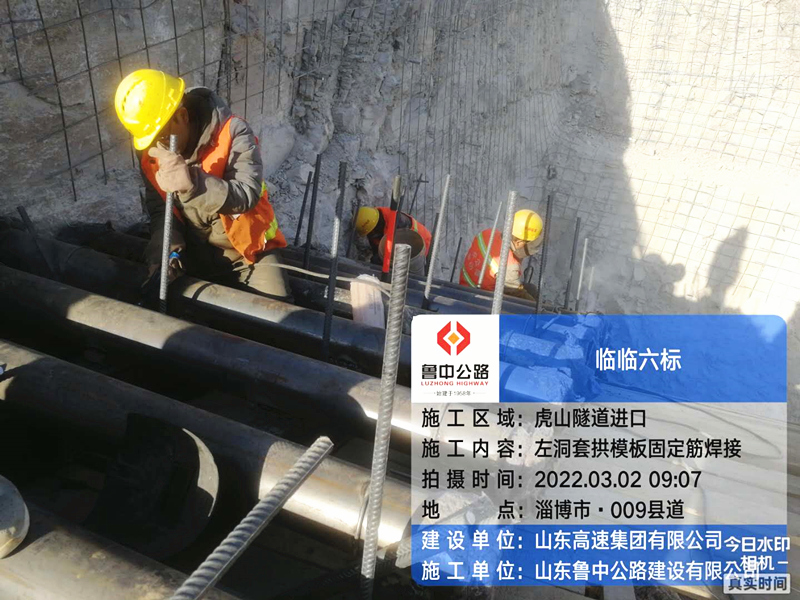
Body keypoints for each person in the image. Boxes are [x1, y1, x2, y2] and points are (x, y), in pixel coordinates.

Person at [114, 69, 291, 301]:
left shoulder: (233, 132)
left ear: (182, 116)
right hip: (193, 251)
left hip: (246, 253)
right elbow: (161, 209)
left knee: (279, 309)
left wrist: (193, 185)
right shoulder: (152, 151)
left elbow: (246, 194)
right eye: (152, 139)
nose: (159, 146)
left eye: (163, 136)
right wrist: (166, 252)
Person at [460, 209, 543, 301]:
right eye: (531, 245)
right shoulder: (510, 266)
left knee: (530, 288)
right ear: (519, 242)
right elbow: (518, 293)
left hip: (464, 285)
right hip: (479, 298)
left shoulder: (487, 233)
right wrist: (538, 306)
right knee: (527, 300)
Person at [354, 206, 432, 274]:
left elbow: (398, 252)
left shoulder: (398, 222)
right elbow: (377, 249)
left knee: (410, 275)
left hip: (422, 243)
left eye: (372, 232)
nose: (372, 234)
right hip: (404, 243)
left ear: (376, 225)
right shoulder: (374, 220)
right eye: (370, 233)